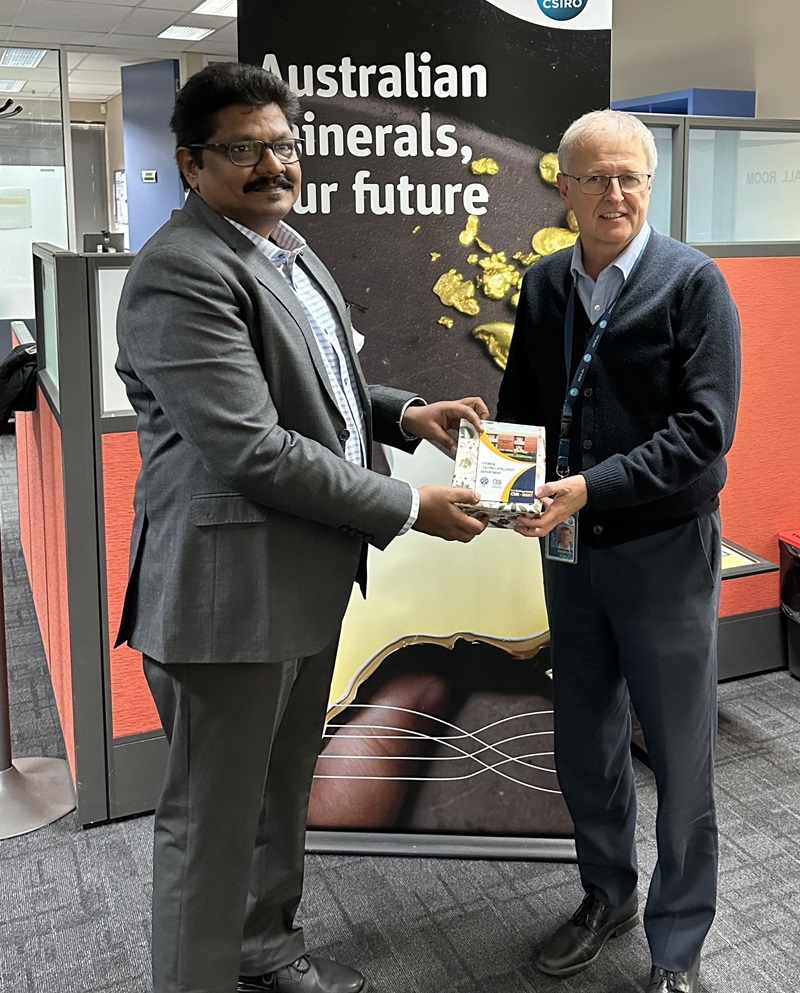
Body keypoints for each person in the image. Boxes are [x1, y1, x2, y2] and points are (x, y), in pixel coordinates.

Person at [115, 62, 489, 993]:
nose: (273, 164)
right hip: (226, 605)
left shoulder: (287, 248)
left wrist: (405, 415)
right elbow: (252, 446)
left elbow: (321, 381)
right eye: (245, 148)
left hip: (301, 586)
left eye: (284, 144)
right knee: (211, 822)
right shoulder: (181, 273)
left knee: (278, 797)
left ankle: (265, 950)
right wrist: (409, 504)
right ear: (193, 161)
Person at [497, 109, 740, 993]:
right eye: (594, 177)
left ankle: (677, 946)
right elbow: (524, 403)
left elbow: (704, 433)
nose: (615, 193)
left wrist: (591, 485)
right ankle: (608, 895)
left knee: (679, 755)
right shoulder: (547, 284)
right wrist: (501, 473)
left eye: (630, 176)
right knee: (583, 738)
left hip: (663, 547)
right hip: (568, 551)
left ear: (650, 182)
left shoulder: (693, 285)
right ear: (562, 188)